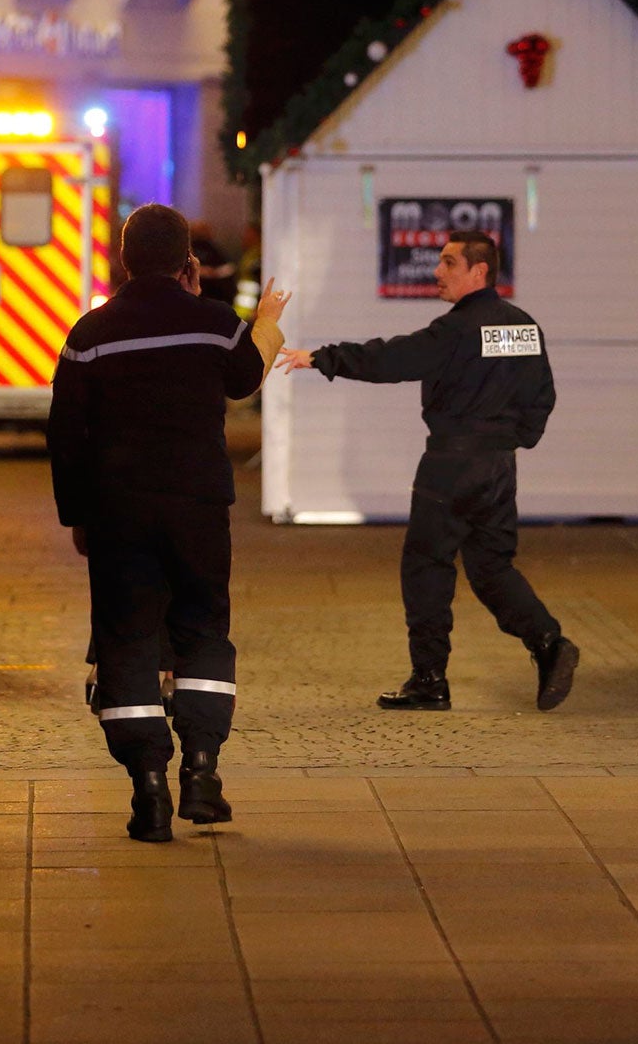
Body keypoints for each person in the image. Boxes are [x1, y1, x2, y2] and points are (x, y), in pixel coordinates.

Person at [49, 204, 290, 843]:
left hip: (118, 513)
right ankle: (203, 772)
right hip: (198, 510)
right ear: (188, 262)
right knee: (204, 631)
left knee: (128, 639)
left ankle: (148, 790)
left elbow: (65, 434)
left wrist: (77, 516)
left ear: (125, 260)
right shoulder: (213, 324)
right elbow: (246, 378)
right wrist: (266, 324)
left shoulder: (90, 333)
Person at [277, 233, 577, 714]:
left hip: (450, 465)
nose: (438, 272)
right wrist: (512, 439)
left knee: (426, 567)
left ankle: (429, 680)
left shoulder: (455, 330)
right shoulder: (524, 327)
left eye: (449, 262)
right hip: (498, 467)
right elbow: (542, 395)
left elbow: (392, 358)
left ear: (479, 271)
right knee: (492, 567)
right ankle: (549, 642)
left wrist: (322, 357)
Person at [188, 221, 238, 305]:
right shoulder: (191, 249)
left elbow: (227, 267)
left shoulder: (213, 249)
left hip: (212, 293)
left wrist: (213, 272)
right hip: (205, 295)